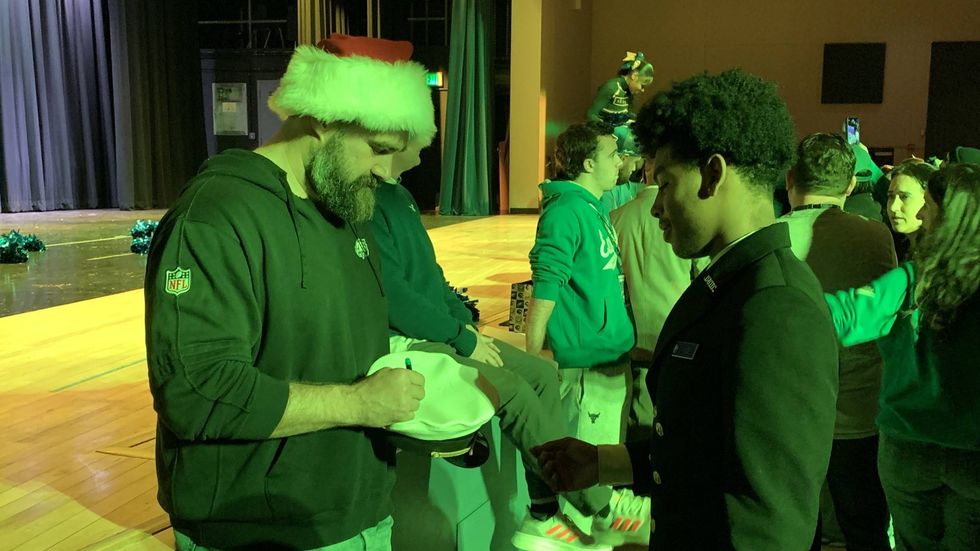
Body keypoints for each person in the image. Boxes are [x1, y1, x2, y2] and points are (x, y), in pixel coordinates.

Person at [143, 40, 434, 550]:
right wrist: (359, 404)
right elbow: (197, 391)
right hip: (258, 532)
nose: (387, 173)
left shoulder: (345, 209)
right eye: (379, 149)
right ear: (323, 119)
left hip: (360, 513)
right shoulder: (216, 216)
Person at [533, 69, 840, 550]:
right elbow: (708, 450)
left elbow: (771, 517)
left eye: (667, 182)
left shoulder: (775, 307)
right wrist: (605, 463)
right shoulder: (730, 282)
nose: (656, 207)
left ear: (713, 174)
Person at [369, 141, 635, 550]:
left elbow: (430, 275)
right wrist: (460, 337)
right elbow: (394, 298)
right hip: (409, 339)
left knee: (542, 374)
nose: (431, 137)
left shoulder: (399, 195)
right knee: (509, 389)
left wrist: (463, 324)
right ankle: (601, 508)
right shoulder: (368, 201)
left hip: (443, 330)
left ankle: (542, 512)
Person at [826, 163, 980, 550]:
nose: (922, 214)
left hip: (907, 448)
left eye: (929, 204)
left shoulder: (912, 280)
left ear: (952, 216)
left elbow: (842, 317)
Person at [527, 121, 649, 545]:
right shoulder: (565, 211)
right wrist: (536, 354)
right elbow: (546, 284)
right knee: (584, 462)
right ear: (587, 162)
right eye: (612, 154)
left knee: (600, 458)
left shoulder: (592, 206)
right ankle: (572, 525)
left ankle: (598, 522)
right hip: (585, 362)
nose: (621, 161)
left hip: (610, 355)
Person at [780, 132, 897, 551]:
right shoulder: (875, 236)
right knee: (864, 528)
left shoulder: (770, 237)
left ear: (790, 178)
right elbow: (883, 317)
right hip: (858, 409)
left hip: (788, 414)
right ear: (850, 185)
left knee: (797, 532)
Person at [885, 159, 938, 261]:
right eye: (890, 196)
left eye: (904, 197)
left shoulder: (938, 259)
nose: (893, 207)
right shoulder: (892, 246)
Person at [586, 52, 654, 128]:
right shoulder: (611, 87)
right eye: (642, 85)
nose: (642, 90)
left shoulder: (629, 92)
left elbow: (627, 113)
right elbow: (591, 114)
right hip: (607, 130)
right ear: (634, 75)